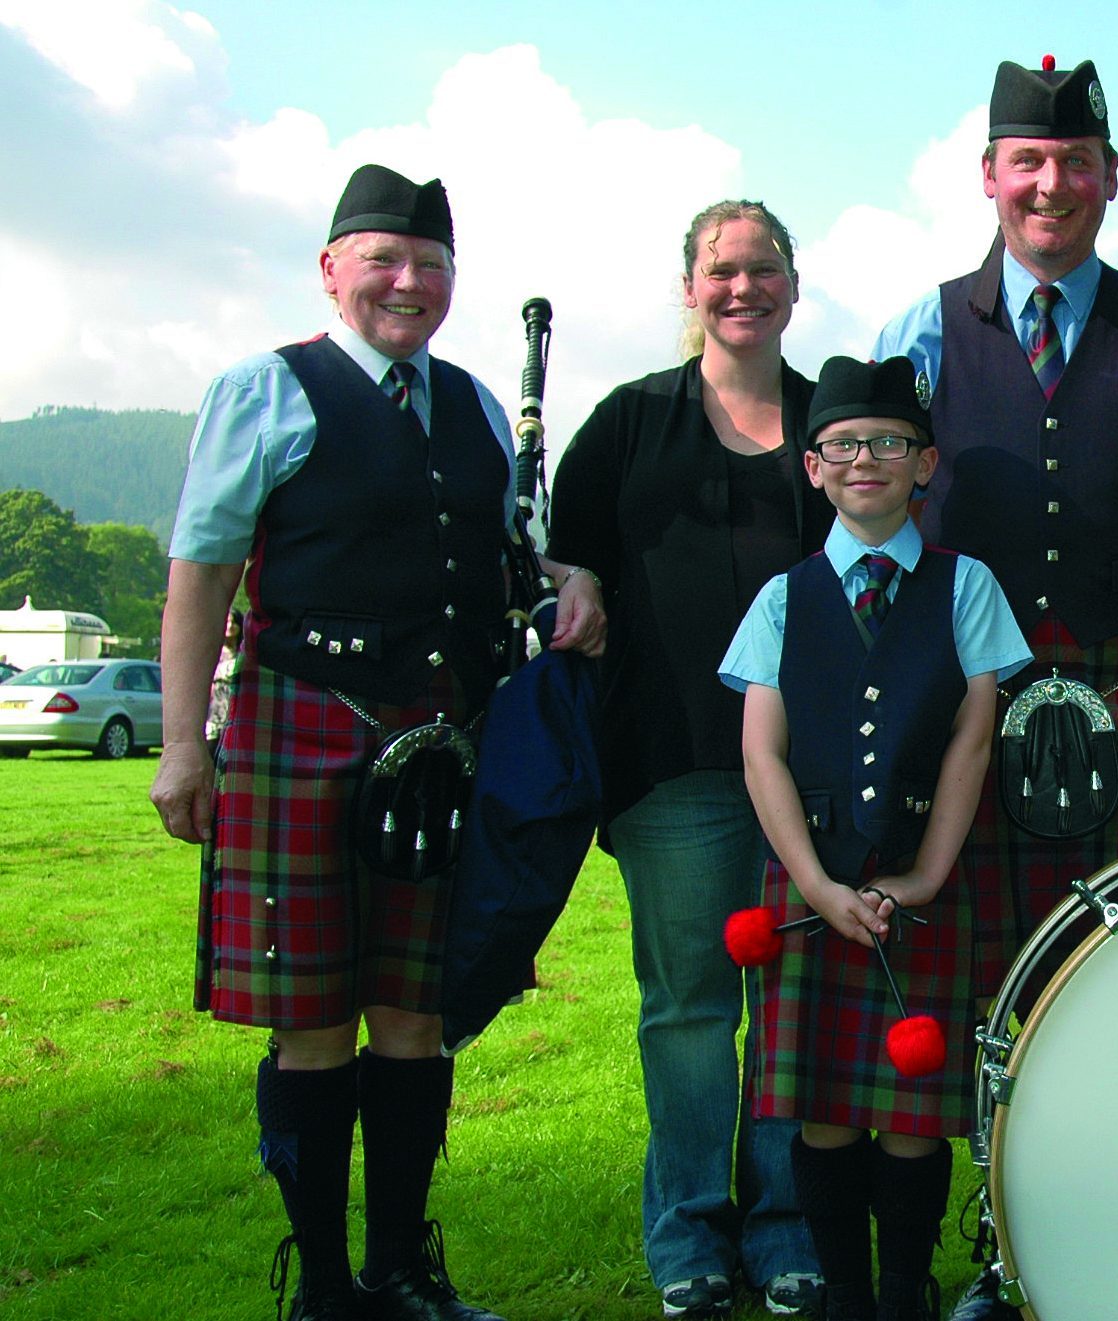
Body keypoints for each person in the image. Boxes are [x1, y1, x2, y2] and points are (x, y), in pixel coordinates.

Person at [149, 164, 605, 1321]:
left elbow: (501, 556)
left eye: (433, 265)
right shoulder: (266, 389)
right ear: (332, 269)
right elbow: (199, 577)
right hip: (299, 724)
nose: (410, 283)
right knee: (314, 1023)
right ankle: (324, 1288)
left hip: (435, 743)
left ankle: (402, 1267)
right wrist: (182, 745)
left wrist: (564, 575)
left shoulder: (474, 406)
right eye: (385, 260)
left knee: (413, 1015)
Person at [872, 54, 1118, 1321]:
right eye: (1026, 163)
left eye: (1074, 163)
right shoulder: (918, 333)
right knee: (976, 981)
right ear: (989, 175)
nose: (1051, 185)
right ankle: (998, 1253)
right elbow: (883, 507)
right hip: (971, 700)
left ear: (1109, 178)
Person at [546, 201, 829, 1318]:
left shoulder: (831, 421)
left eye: (763, 268)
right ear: (689, 287)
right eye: (721, 269)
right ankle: (689, 1234)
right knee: (691, 1010)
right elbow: (570, 559)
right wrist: (573, 588)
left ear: (793, 288)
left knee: (797, 1000)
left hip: (814, 773)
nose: (742, 286)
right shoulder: (626, 423)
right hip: (671, 770)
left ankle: (788, 1223)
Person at [721, 356, 1031, 1321]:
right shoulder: (782, 597)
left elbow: (973, 736)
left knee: (910, 1116)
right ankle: (845, 1294)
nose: (866, 460)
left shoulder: (967, 584)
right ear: (813, 465)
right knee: (824, 1109)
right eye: (845, 445)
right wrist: (812, 885)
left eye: (889, 443)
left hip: (918, 884)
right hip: (814, 892)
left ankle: (904, 1290)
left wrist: (930, 874)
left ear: (925, 463)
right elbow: (761, 753)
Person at [205, 608, 246, 742]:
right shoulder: (212, 652)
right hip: (214, 711)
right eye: (227, 622)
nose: (230, 626)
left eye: (234, 622)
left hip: (238, 711)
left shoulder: (245, 652)